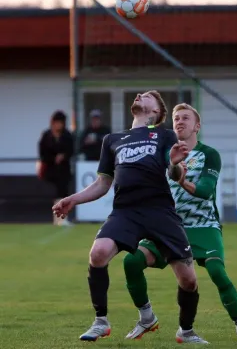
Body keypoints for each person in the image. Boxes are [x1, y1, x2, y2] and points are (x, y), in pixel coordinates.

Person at [52, 91, 208, 344]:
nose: (139, 96)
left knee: (189, 281)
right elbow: (103, 183)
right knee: (98, 253)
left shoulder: (164, 134)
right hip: (125, 211)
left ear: (156, 112)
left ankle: (186, 331)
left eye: (147, 96)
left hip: (160, 211)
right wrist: (73, 199)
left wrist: (174, 163)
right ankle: (101, 322)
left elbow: (176, 174)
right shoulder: (112, 139)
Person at [123, 103, 237, 344]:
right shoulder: (162, 154)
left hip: (203, 225)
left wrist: (182, 181)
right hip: (168, 226)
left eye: (185, 118)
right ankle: (147, 317)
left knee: (217, 272)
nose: (180, 122)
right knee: (132, 261)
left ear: (197, 126)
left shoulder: (208, 154)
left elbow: (204, 191)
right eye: (176, 118)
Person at [38, 110, 74, 201]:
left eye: (60, 123)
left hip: (64, 171)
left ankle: (61, 213)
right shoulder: (46, 135)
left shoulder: (67, 135)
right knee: (49, 195)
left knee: (62, 195)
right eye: (56, 122)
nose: (58, 125)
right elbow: (42, 152)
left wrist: (64, 156)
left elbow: (71, 150)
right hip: (49, 172)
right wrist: (53, 158)